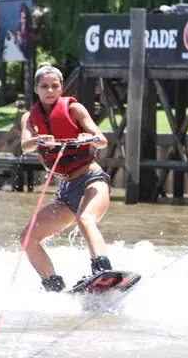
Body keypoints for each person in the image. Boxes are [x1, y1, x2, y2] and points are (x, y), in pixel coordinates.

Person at [20, 62, 113, 292]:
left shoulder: (75, 110)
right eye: (44, 86)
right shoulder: (30, 118)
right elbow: (25, 146)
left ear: (61, 89)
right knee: (27, 237)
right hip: (66, 191)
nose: (50, 91)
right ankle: (54, 285)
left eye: (54, 86)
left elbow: (102, 140)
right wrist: (40, 140)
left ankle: (102, 270)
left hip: (92, 179)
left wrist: (87, 138)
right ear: (36, 89)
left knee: (85, 219)